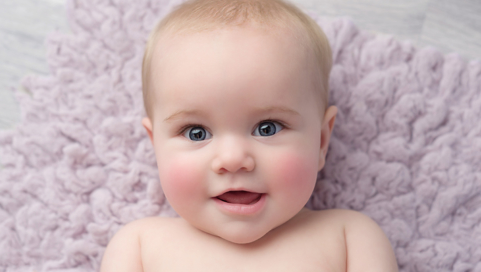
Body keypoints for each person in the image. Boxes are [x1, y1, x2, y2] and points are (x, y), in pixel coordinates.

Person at [101, 0, 398, 270]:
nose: (232, 160)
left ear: (321, 141)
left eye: (267, 128)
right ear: (156, 147)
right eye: (196, 133)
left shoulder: (350, 238)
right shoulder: (139, 246)